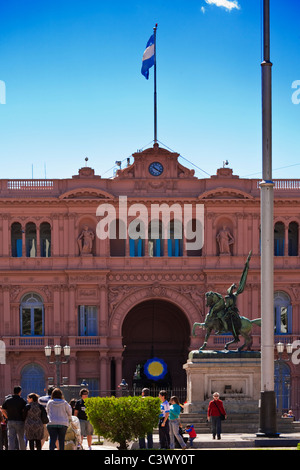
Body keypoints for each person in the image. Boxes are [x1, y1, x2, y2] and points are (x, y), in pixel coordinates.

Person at [1, 386, 26, 450]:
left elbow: (2, 409)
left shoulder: (8, 400)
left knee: (11, 438)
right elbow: (25, 410)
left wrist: (7, 417)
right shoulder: (22, 400)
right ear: (20, 392)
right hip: (20, 421)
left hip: (10, 421)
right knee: (21, 438)